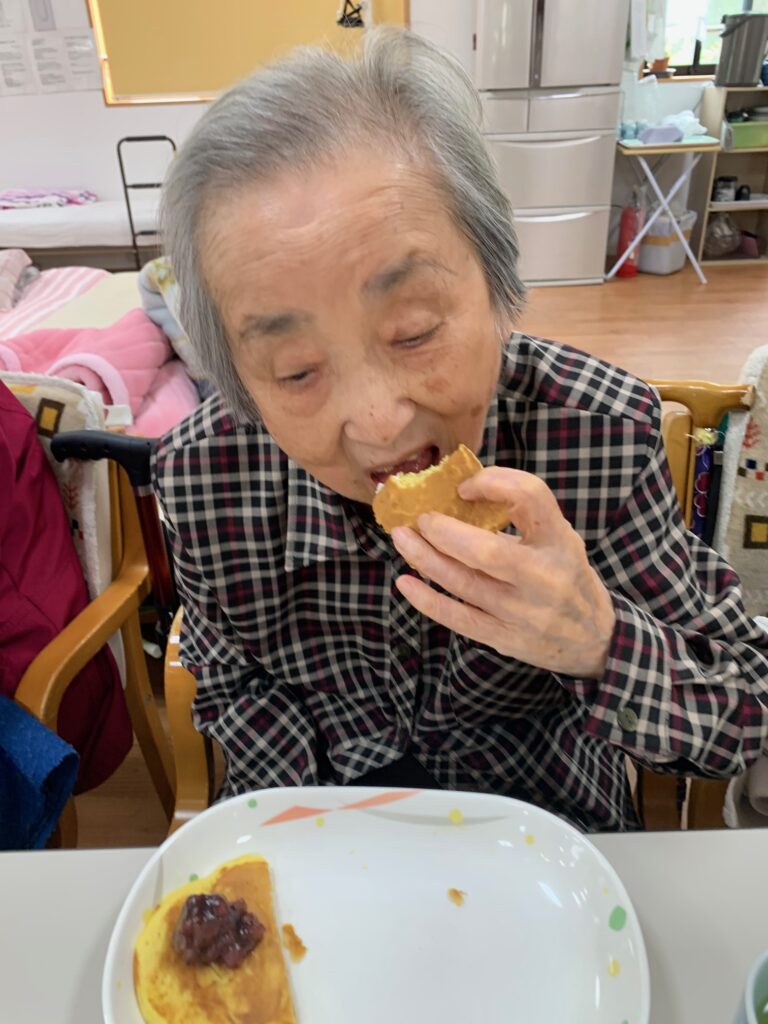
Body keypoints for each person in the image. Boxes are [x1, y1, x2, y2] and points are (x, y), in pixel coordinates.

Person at [152, 28, 768, 832]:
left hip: (548, 834)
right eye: (297, 370)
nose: (378, 420)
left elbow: (743, 711)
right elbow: (231, 686)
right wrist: (360, 813)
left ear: (498, 286)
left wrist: (599, 642)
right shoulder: (203, 477)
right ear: (239, 377)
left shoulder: (601, 437)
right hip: (321, 835)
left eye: (413, 332)